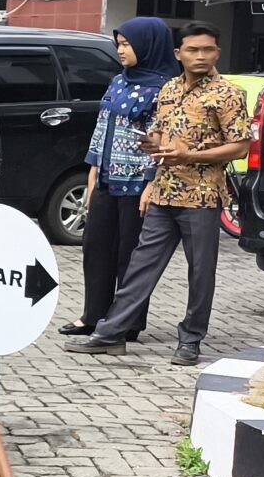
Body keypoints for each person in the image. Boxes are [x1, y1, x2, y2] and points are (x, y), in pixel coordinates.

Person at [65, 23, 252, 366]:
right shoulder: (167, 90)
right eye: (192, 50)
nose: (200, 56)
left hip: (202, 196)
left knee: (200, 271)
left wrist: (189, 156)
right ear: (178, 54)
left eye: (207, 50)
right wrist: (153, 153)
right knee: (141, 265)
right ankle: (111, 333)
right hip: (164, 193)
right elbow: (161, 138)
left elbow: (240, 147)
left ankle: (191, 339)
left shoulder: (227, 94)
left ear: (217, 53)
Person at [62, 18, 179, 340]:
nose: (120, 50)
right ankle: (93, 315)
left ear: (148, 45)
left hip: (139, 183)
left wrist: (152, 181)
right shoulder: (119, 81)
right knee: (96, 248)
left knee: (132, 256)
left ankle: (126, 322)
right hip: (106, 180)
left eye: (127, 44)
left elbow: (164, 139)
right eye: (119, 44)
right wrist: (93, 171)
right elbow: (102, 128)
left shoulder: (167, 89)